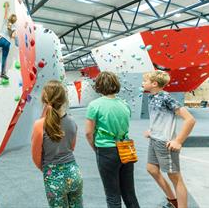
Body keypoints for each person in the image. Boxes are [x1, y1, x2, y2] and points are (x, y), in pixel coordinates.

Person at [85, 71, 140, 208]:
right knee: (129, 193)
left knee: (112, 195)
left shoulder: (94, 105)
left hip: (106, 149)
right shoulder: (124, 104)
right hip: (126, 147)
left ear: (98, 85)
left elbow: (88, 132)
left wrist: (95, 148)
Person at [142, 71, 196, 208]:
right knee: (152, 169)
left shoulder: (167, 98)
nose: (143, 83)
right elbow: (160, 118)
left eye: (145, 81)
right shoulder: (152, 97)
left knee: (175, 178)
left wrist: (178, 141)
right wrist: (153, 131)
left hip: (165, 143)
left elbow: (190, 119)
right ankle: (173, 201)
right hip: (155, 139)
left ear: (154, 84)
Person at [31, 80, 83, 208]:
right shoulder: (72, 121)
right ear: (64, 99)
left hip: (53, 176)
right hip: (74, 172)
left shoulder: (39, 125)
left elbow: (36, 157)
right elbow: (72, 147)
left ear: (44, 99)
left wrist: (48, 170)